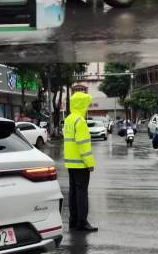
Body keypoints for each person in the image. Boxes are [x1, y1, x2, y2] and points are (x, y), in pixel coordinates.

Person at [63, 91, 98, 233]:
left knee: (73, 193)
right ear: (81, 104)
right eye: (86, 104)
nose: (87, 107)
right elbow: (83, 144)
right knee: (82, 193)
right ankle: (82, 222)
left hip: (70, 163)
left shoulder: (68, 119)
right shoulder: (80, 121)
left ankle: (73, 220)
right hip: (80, 164)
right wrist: (89, 163)